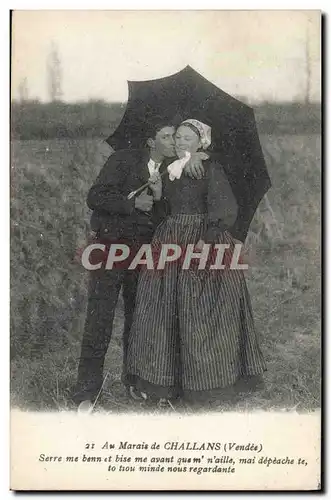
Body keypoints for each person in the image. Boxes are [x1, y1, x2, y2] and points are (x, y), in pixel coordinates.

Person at [125, 118, 266, 407]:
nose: (179, 142)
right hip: (169, 239)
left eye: (187, 138)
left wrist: (206, 241)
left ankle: (206, 385)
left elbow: (226, 209)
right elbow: (164, 210)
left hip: (202, 239)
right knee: (162, 309)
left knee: (201, 311)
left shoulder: (208, 168)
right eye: (177, 137)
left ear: (201, 143)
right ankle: (165, 382)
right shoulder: (169, 169)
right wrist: (157, 192)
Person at [72, 121, 205, 409]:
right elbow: (95, 197)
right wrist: (132, 205)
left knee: (138, 318)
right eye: (166, 136)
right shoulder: (122, 160)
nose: (173, 142)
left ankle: (134, 382)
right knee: (100, 318)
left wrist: (160, 197)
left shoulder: (175, 171)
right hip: (109, 248)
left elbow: (170, 213)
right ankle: (86, 392)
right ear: (150, 141)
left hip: (143, 252)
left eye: (176, 137)